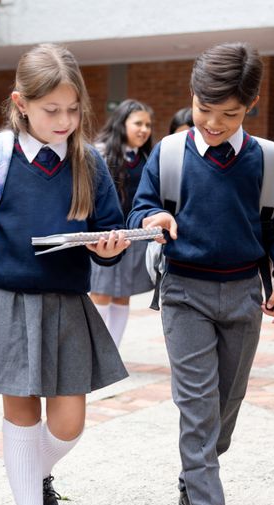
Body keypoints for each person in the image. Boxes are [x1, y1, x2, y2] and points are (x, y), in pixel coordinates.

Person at [0, 43, 130, 505]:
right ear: (20, 104)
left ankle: (34, 474)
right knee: (20, 415)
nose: (65, 121)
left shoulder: (88, 160)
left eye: (73, 111)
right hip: (6, 303)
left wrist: (110, 248)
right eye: (52, 111)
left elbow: (111, 229)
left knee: (69, 423)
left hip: (66, 304)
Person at [128, 42, 274, 505]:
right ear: (193, 98)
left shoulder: (267, 161)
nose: (213, 123)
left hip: (245, 292)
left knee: (228, 402)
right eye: (205, 110)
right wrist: (152, 220)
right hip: (184, 293)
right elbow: (143, 204)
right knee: (198, 404)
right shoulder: (171, 152)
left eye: (228, 114)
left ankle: (193, 474)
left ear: (249, 107)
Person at [89, 99, 156, 346]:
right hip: (105, 235)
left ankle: (113, 350)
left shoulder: (148, 157)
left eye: (148, 124)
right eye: (138, 123)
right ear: (122, 123)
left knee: (122, 295)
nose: (144, 129)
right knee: (101, 292)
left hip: (134, 236)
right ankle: (94, 350)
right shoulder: (100, 153)